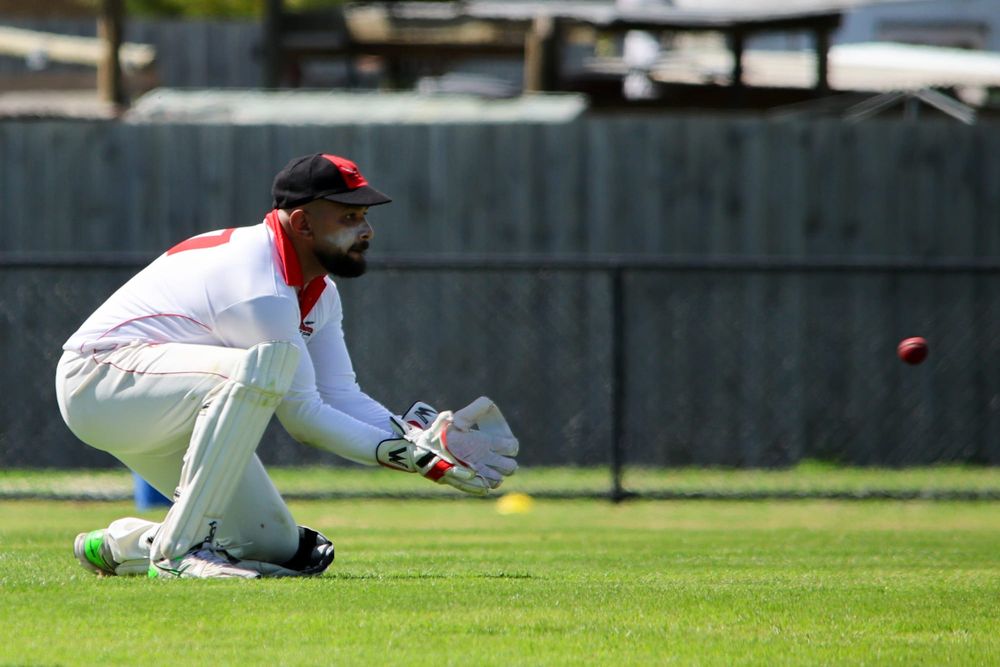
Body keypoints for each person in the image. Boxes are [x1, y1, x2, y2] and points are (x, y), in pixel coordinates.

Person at [56, 153, 519, 579]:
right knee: (257, 369)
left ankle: (122, 545)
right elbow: (303, 417)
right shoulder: (260, 281)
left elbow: (340, 396)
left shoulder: (319, 292)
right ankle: (177, 554)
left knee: (275, 546)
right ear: (302, 223)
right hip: (100, 380)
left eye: (365, 216)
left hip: (167, 404)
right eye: (349, 217)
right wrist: (413, 459)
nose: (366, 230)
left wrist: (417, 437)